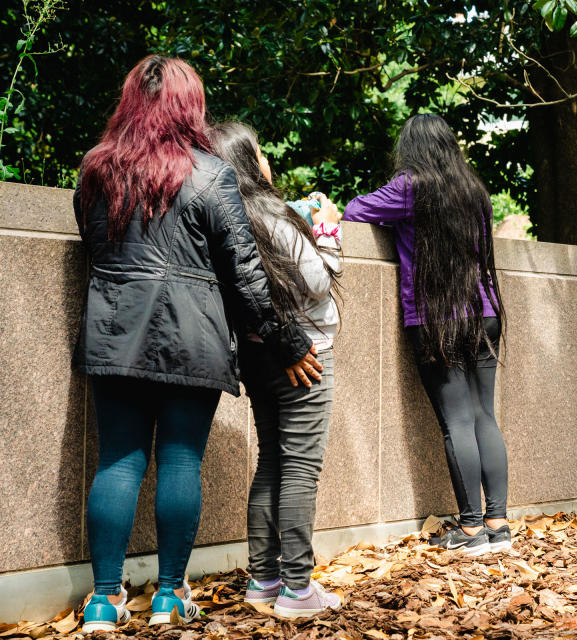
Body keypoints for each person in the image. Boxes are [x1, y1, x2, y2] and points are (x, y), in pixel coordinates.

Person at [73, 56, 322, 633]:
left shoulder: (95, 171)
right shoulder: (211, 175)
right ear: (191, 106)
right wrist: (288, 342)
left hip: (113, 332)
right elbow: (245, 277)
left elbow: (95, 244)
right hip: (192, 338)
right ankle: (167, 597)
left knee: (116, 460)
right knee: (181, 460)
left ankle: (103, 602)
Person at [342, 113, 510, 556]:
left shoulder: (411, 188)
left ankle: (472, 530)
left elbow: (353, 212)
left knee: (457, 420)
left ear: (410, 151)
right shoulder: (473, 190)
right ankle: (498, 524)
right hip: (484, 311)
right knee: (484, 416)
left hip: (439, 318)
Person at [208, 121, 344, 617]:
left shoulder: (221, 217)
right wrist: (327, 234)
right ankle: (297, 589)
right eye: (260, 152)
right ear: (248, 163)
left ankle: (263, 580)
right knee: (301, 469)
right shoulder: (272, 215)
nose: (268, 160)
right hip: (304, 355)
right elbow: (316, 283)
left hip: (257, 356)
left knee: (272, 461)